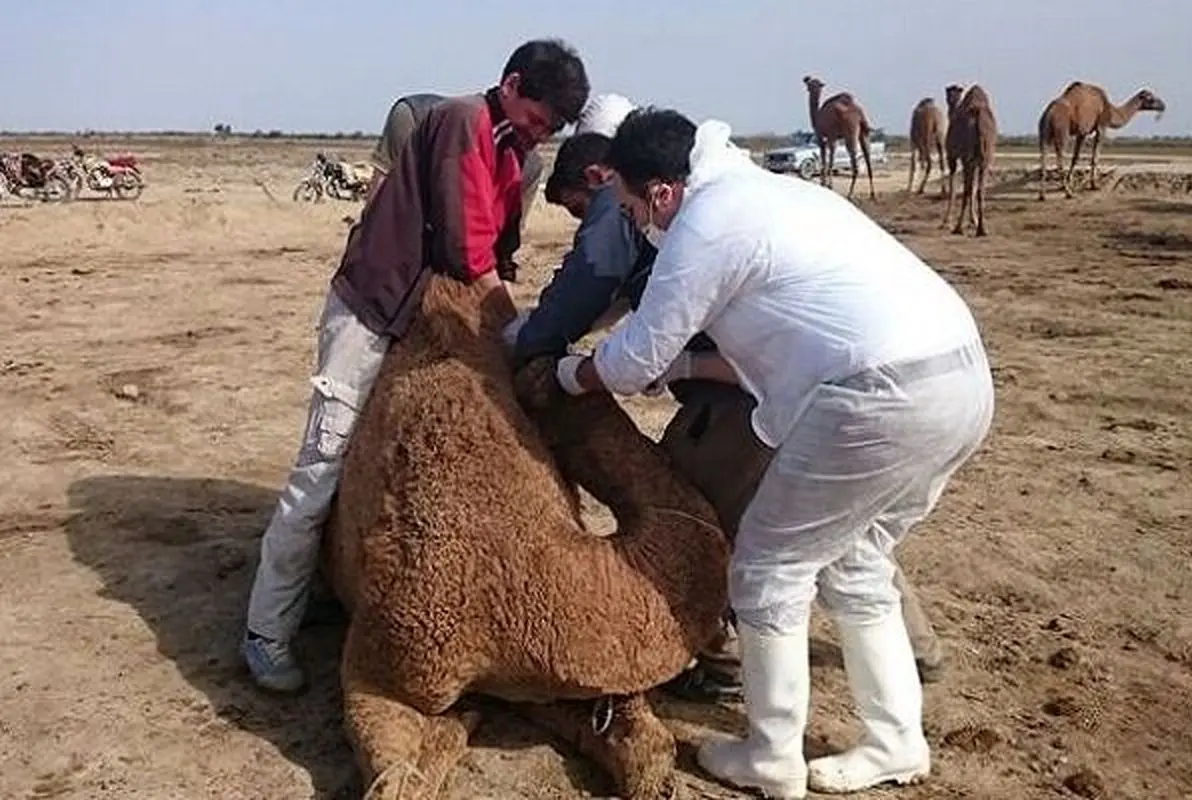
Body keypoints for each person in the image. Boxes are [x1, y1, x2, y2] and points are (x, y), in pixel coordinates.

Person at [552, 107, 994, 796]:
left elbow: (634, 361)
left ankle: (772, 754)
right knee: (856, 560)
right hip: (959, 377)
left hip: (875, 393)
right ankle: (896, 739)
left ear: (661, 191)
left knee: (767, 570)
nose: (637, 219)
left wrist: (566, 372)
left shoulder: (703, 224)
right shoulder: (766, 192)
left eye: (634, 205)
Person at [241, 38, 590, 694]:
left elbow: (499, 247)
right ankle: (267, 628)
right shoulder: (462, 121)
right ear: (510, 83)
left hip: (435, 316)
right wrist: (515, 328)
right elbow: (466, 246)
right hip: (374, 310)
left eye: (549, 128)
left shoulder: (520, 156)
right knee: (322, 466)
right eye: (538, 117)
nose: (539, 133)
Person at [366, 91, 546, 282]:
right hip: (398, 262)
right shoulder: (415, 118)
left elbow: (504, 246)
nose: (541, 136)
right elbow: (377, 209)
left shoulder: (529, 166)